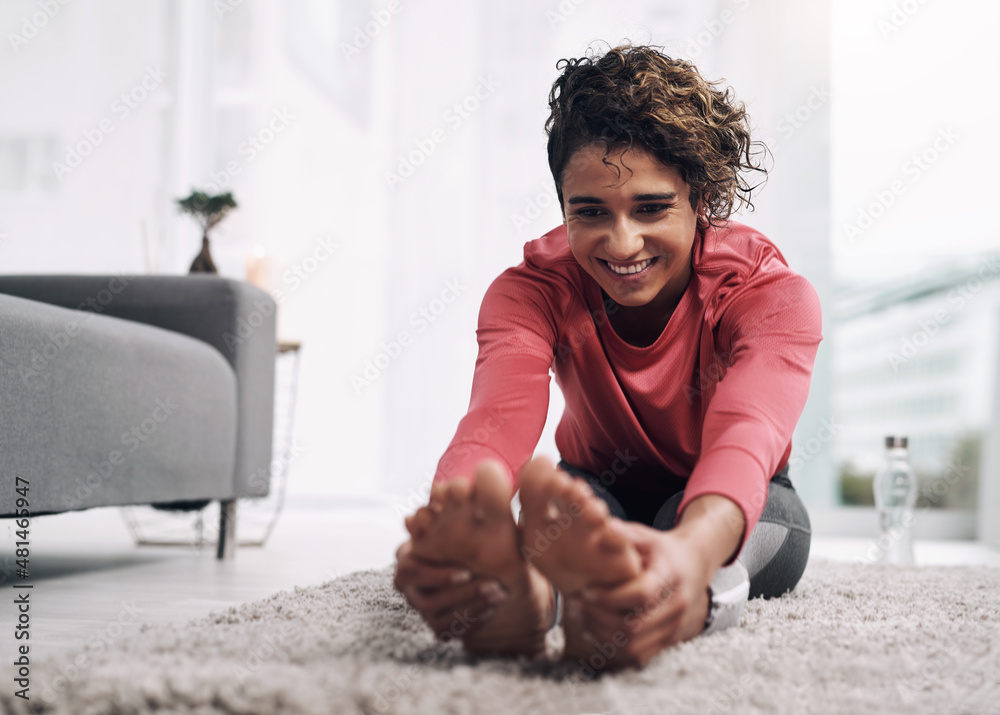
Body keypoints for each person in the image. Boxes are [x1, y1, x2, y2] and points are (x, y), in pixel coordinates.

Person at [393, 43, 821, 671]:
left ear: (699, 199)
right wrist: (457, 520)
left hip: (743, 498)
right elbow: (497, 418)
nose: (622, 243)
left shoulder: (770, 295)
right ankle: (535, 606)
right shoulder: (531, 291)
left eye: (651, 208)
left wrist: (689, 554)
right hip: (596, 487)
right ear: (563, 207)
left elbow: (746, 434)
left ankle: (679, 599)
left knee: (692, 524)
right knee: (562, 515)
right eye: (589, 212)